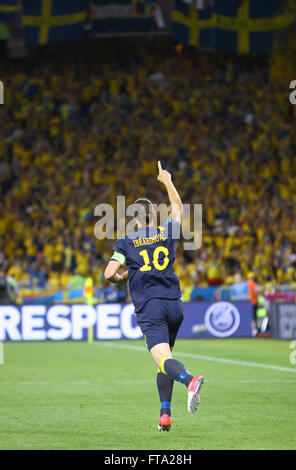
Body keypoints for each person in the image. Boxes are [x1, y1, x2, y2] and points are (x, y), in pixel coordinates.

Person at [104, 161, 204, 432]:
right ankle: (164, 415)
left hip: (151, 307)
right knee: (164, 362)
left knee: (164, 360)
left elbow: (108, 272)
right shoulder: (166, 232)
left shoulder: (126, 241)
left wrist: (121, 277)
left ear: (135, 218)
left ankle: (189, 380)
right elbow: (180, 209)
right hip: (175, 305)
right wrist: (167, 181)